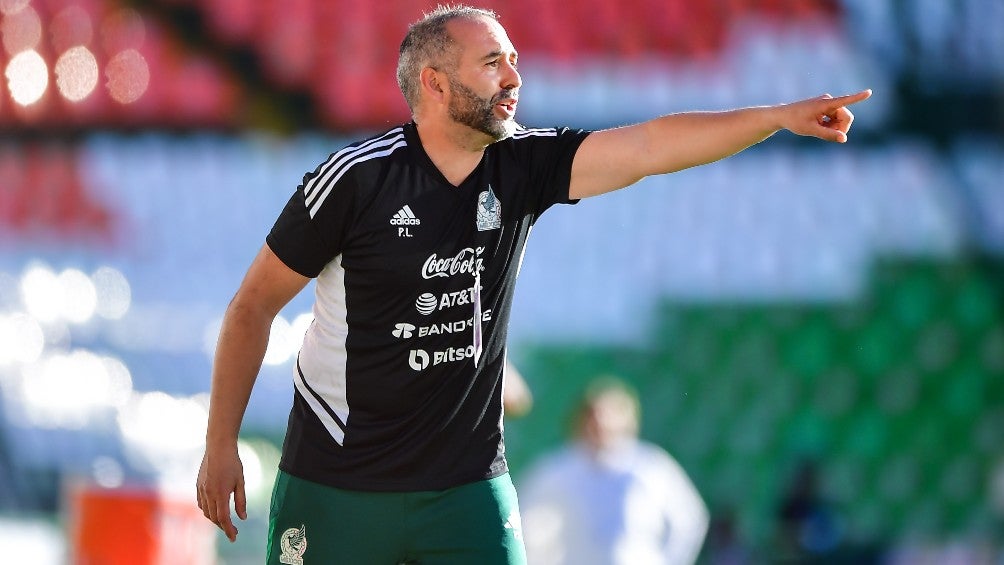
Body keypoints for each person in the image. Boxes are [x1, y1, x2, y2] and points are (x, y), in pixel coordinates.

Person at [195, 5, 871, 564]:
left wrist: (773, 117)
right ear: (433, 83)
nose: (514, 77)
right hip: (335, 486)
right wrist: (220, 441)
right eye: (493, 63)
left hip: (464, 490)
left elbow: (649, 147)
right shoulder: (353, 179)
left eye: (515, 58)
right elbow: (253, 304)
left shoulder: (523, 165)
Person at [519, 377, 709, 565]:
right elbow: (525, 518)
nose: (601, 422)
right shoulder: (558, 467)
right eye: (594, 415)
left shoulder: (651, 466)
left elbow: (688, 520)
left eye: (610, 414)